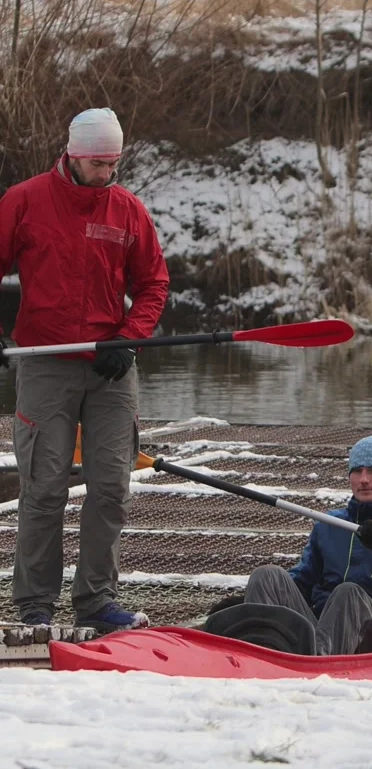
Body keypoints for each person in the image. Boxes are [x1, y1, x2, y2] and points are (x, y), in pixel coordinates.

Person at [0, 108, 169, 632]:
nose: (106, 173)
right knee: (44, 485)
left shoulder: (126, 209)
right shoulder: (24, 201)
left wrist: (129, 336)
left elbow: (154, 284)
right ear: (73, 155)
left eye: (113, 163)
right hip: (45, 363)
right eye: (97, 163)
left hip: (110, 367)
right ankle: (34, 605)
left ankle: (96, 600)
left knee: (112, 486)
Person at [205, 432, 372, 655]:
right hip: (323, 632)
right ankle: (261, 652)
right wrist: (249, 602)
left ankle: (317, 665)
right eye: (357, 470)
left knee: (349, 593)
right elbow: (303, 582)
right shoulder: (331, 523)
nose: (364, 479)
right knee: (267, 576)